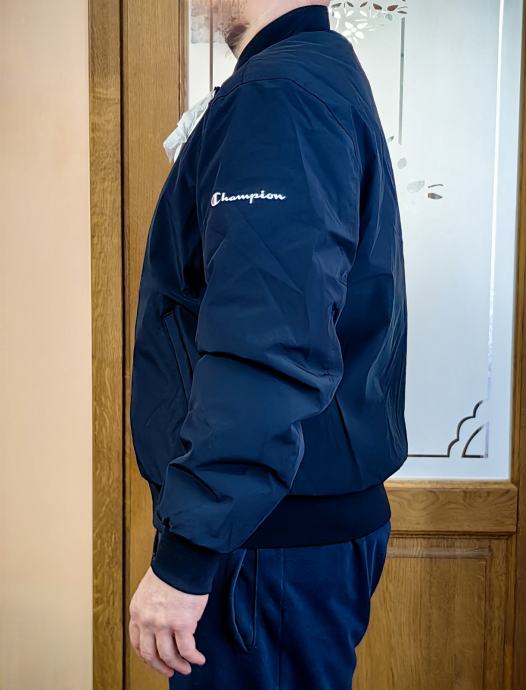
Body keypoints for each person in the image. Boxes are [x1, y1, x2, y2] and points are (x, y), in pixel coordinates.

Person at [128, 1, 408, 688]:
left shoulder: (279, 94)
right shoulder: (312, 77)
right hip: (279, 531)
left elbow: (268, 341)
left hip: (265, 543)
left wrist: (188, 556)